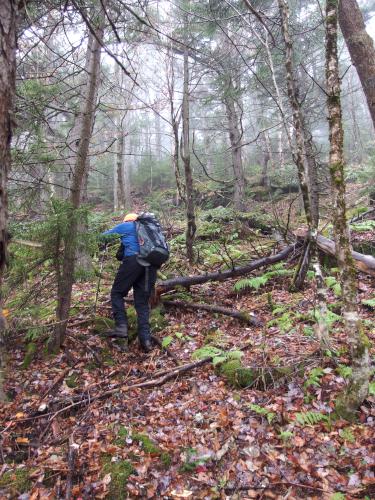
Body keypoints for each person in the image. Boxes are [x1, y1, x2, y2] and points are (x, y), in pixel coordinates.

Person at [101, 213, 157, 352]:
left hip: (133, 262)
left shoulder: (126, 226)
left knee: (117, 293)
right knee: (142, 303)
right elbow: (121, 254)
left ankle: (121, 327)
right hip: (150, 266)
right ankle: (146, 341)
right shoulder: (148, 229)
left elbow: (103, 236)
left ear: (127, 220)